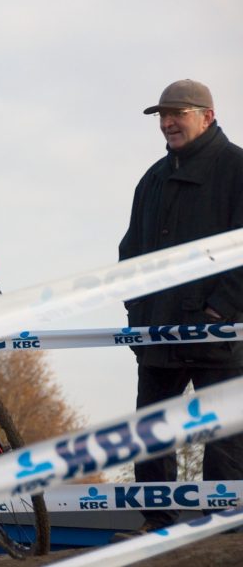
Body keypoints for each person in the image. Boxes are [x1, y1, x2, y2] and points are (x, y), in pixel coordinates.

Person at [117, 79, 243, 533]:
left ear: (207, 115)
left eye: (178, 113)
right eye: (161, 116)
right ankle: (158, 528)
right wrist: (138, 317)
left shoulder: (237, 169)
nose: (167, 123)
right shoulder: (151, 179)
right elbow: (130, 252)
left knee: (226, 438)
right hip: (157, 332)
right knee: (150, 435)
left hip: (220, 336)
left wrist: (221, 311)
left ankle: (225, 534)